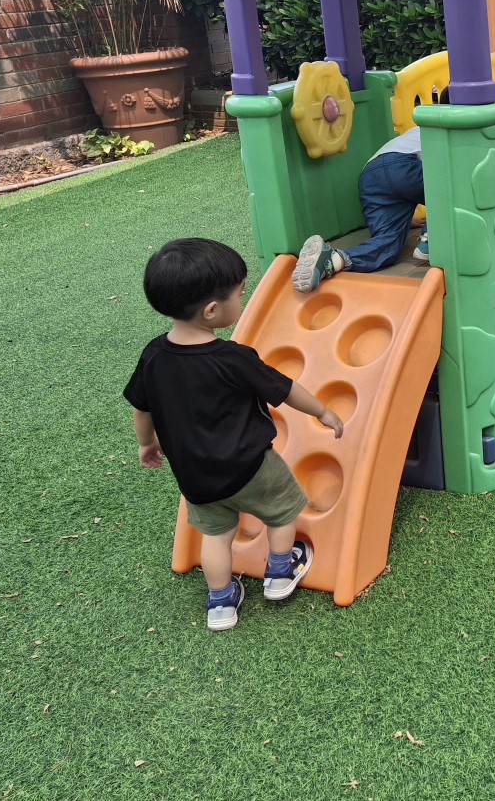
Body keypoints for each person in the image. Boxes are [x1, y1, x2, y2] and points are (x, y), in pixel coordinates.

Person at [125, 238, 344, 631]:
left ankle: (221, 603)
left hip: (196, 477)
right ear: (212, 310)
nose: (242, 299)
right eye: (240, 294)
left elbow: (142, 408)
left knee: (216, 536)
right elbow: (286, 390)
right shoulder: (233, 359)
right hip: (251, 466)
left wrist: (146, 444)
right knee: (282, 510)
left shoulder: (153, 356)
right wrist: (323, 411)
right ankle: (280, 572)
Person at [293, 126, 427, 293]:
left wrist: (404, 218)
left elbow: (401, 184)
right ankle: (429, 239)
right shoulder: (444, 128)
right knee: (452, 187)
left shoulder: (413, 132)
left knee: (387, 245)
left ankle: (332, 259)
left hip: (371, 176)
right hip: (403, 163)